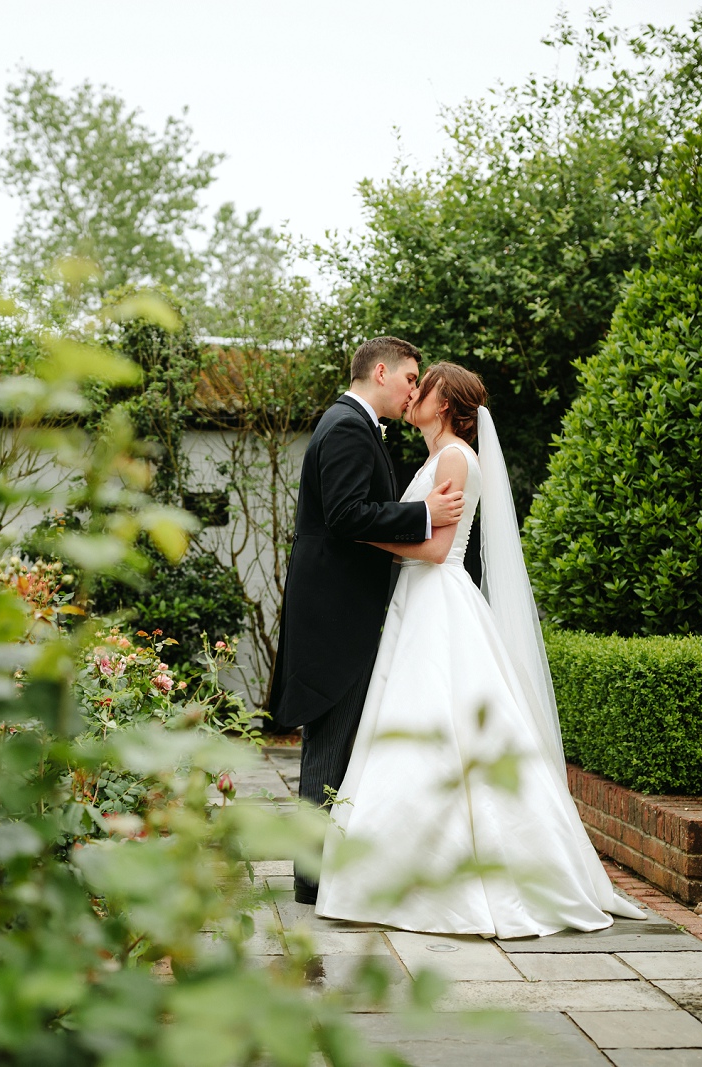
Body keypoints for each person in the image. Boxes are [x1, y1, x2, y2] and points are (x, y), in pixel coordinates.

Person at [314, 362, 645, 936]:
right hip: (418, 603)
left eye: (425, 385)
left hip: (437, 600)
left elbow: (439, 550)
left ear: (444, 404)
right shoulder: (435, 457)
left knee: (436, 726)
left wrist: (361, 534)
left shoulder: (453, 458)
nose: (414, 393)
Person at [269, 337, 463, 907]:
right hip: (336, 620)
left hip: (339, 614)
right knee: (330, 745)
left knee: (336, 745)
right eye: (409, 378)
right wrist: (423, 514)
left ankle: (321, 871)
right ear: (381, 371)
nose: (412, 391)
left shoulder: (350, 424)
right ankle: (312, 877)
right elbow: (346, 515)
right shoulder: (349, 427)